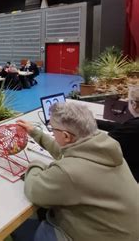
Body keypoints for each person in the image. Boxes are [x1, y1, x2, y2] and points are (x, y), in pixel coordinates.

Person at [15, 102, 139, 241]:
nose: (52, 131)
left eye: (52, 129)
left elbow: (34, 190)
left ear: (66, 136)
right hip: (124, 232)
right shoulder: (107, 148)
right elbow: (69, 151)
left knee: (33, 229)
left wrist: (35, 164)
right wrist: (36, 133)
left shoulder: (69, 173)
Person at [97, 86, 139, 182]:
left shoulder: (133, 127)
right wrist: (94, 122)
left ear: (134, 105)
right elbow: (121, 127)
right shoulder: (133, 125)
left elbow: (102, 144)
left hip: (130, 177)